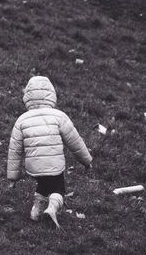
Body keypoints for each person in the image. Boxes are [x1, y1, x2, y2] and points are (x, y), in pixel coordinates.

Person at [7, 76, 93, 228]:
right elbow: (75, 142)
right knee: (58, 189)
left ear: (27, 97)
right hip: (54, 164)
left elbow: (15, 150)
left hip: (34, 166)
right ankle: (52, 207)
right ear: (51, 94)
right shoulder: (59, 116)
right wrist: (86, 161)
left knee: (43, 185)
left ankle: (36, 210)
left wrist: (13, 177)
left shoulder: (21, 120)